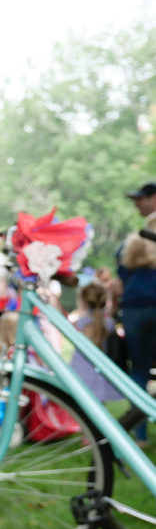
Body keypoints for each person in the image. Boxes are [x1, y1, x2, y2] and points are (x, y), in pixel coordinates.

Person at [117, 181, 156, 440]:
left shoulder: (135, 240)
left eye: (140, 199)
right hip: (139, 307)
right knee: (140, 369)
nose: (137, 204)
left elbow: (122, 270)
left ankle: (139, 435)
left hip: (136, 307)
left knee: (139, 369)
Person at [69, 281, 122, 403]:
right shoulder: (108, 324)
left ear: (83, 301)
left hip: (80, 372)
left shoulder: (82, 323)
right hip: (100, 373)